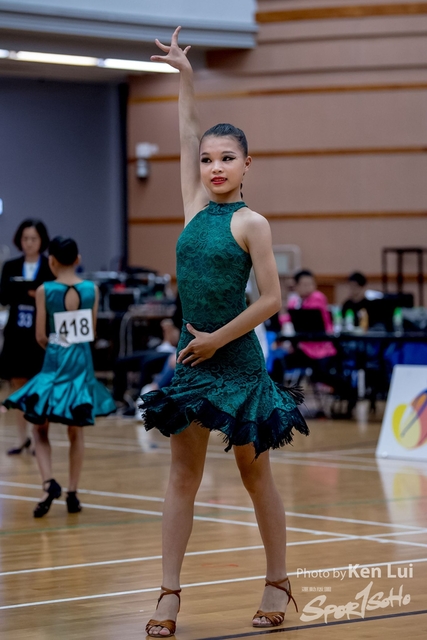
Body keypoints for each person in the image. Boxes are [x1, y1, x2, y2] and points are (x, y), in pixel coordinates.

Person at [139, 27, 308, 637]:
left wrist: (217, 339)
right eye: (208, 159)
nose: (214, 167)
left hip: (236, 363)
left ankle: (277, 581)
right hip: (193, 361)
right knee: (182, 476)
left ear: (246, 165)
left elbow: (272, 299)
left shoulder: (252, 223)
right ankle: (168, 595)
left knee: (253, 475)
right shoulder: (192, 207)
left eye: (226, 158)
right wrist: (185, 76)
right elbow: (187, 132)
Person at [4, 237, 116, 517]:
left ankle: (48, 484)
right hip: (80, 366)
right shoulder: (92, 289)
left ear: (51, 260)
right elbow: (91, 332)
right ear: (78, 259)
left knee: (39, 428)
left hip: (54, 365)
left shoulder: (45, 290)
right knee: (76, 431)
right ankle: (73, 493)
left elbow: (40, 335)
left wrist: (57, 346)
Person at [0, 219, 54, 455]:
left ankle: (38, 435)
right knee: (18, 386)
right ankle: (22, 439)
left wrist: (36, 295)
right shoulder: (11, 266)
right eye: (25, 238)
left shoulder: (49, 266)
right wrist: (23, 292)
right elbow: (3, 296)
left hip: (39, 334)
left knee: (40, 385)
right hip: (16, 334)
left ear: (41, 241)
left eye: (33, 238)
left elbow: (53, 296)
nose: (29, 243)